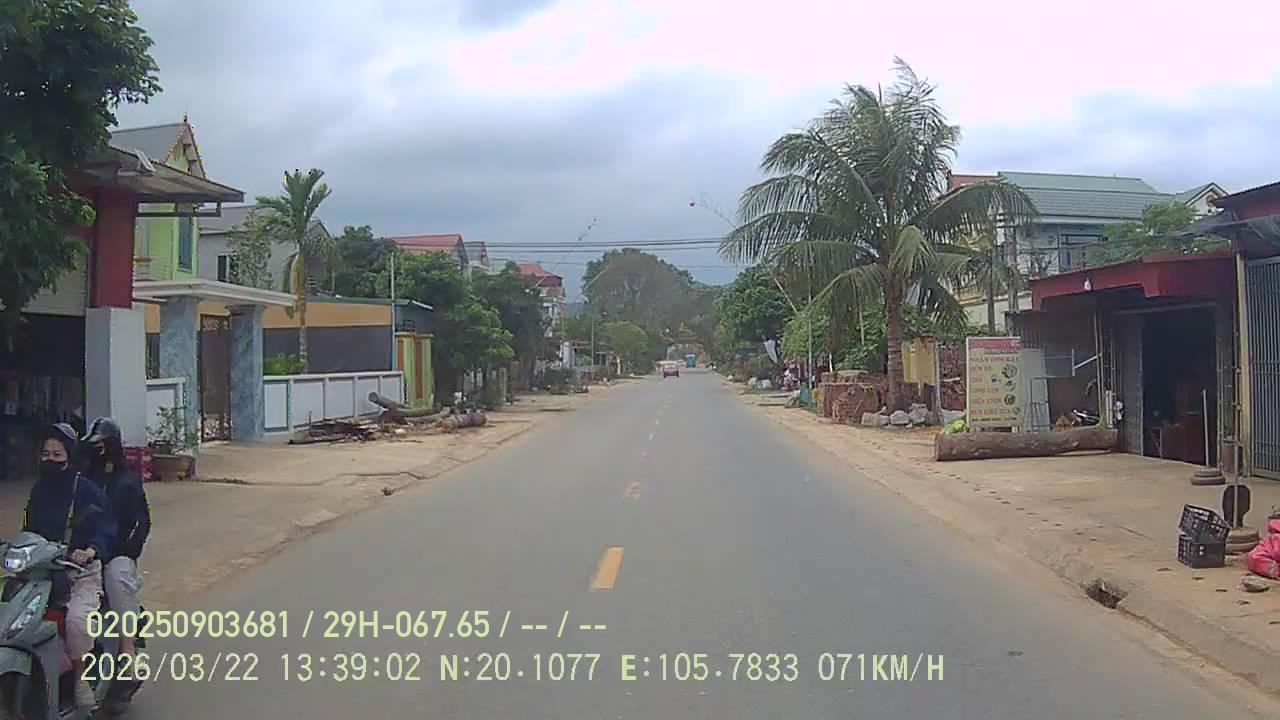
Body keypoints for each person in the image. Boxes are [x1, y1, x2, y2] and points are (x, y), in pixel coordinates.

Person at [23, 423, 116, 708]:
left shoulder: (85, 490)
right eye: (46, 454)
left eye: (57, 454)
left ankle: (81, 679)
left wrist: (90, 550)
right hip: (44, 572)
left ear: (69, 456)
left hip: (80, 574)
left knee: (76, 620)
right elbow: (29, 530)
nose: (50, 459)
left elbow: (106, 526)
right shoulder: (39, 490)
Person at [81, 417, 150, 659]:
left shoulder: (128, 481)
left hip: (117, 554)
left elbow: (142, 523)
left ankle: (127, 647)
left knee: (116, 578)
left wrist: (126, 552)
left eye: (101, 446)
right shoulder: (86, 480)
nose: (97, 451)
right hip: (87, 551)